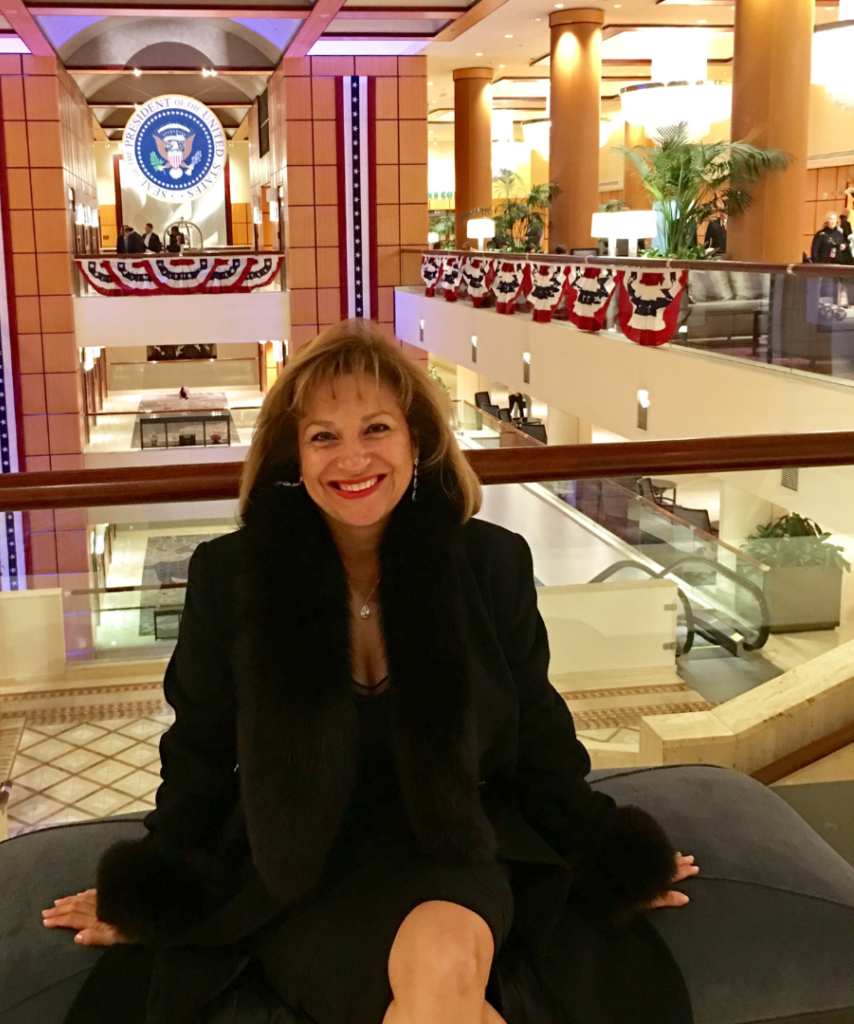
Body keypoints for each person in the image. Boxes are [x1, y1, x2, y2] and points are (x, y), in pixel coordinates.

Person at [44, 321, 697, 1024]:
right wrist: (153, 882)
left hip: (452, 846)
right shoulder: (230, 577)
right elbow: (199, 752)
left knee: (445, 968)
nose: (352, 459)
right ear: (294, 456)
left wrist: (607, 852)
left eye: (376, 428)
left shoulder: (489, 563)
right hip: (301, 869)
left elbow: (537, 732)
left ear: (416, 441)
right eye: (324, 435)